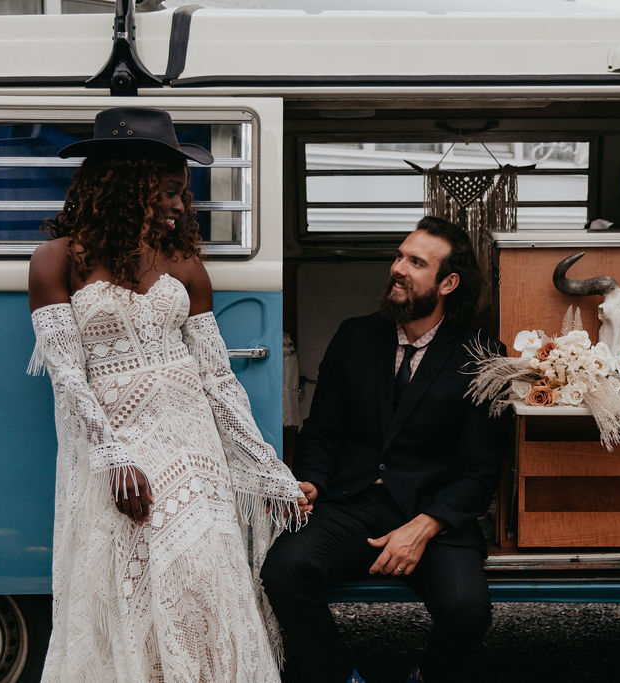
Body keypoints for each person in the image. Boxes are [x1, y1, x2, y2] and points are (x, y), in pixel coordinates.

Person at [27, 107, 310, 683]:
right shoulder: (56, 261)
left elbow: (217, 381)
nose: (182, 205)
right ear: (125, 184)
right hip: (120, 455)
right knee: (128, 594)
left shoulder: (187, 266)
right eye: (170, 191)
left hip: (193, 448)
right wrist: (112, 457)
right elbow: (68, 375)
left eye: (183, 193)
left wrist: (270, 472)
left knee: (201, 585)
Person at [261, 216, 507, 683]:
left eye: (416, 262)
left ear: (448, 283)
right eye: (399, 256)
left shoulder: (482, 356)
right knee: (284, 570)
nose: (398, 268)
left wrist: (424, 527)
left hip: (433, 514)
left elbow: (480, 470)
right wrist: (310, 480)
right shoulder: (354, 336)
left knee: (468, 609)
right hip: (354, 501)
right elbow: (321, 431)